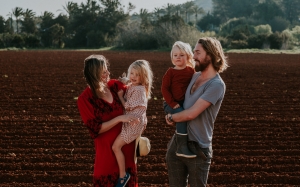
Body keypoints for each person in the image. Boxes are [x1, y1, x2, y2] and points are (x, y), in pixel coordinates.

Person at [165, 37, 229, 187]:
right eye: (193, 52)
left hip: (199, 148)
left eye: (198, 53)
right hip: (177, 144)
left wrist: (172, 117)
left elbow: (191, 113)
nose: (193, 57)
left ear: (211, 55)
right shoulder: (194, 76)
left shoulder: (216, 85)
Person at [77, 55, 139, 187]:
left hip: (126, 151)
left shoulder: (114, 86)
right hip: (107, 156)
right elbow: (96, 129)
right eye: (104, 72)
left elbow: (135, 95)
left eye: (107, 70)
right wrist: (119, 118)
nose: (108, 73)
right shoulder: (85, 99)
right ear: (95, 75)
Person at [113, 60, 153, 187]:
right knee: (128, 149)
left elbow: (128, 106)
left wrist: (120, 96)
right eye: (132, 73)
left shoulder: (139, 90)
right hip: (133, 122)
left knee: (116, 147)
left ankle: (123, 175)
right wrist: (125, 80)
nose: (133, 77)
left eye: (137, 74)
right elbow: (129, 83)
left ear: (143, 77)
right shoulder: (134, 86)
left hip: (133, 124)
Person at [161, 41, 196, 158]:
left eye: (181, 55)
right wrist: (172, 103)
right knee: (181, 116)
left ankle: (187, 142)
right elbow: (164, 89)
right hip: (171, 104)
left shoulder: (191, 71)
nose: (178, 58)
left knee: (189, 115)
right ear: (172, 57)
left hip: (184, 103)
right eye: (175, 55)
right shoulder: (170, 72)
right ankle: (182, 147)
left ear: (188, 57)